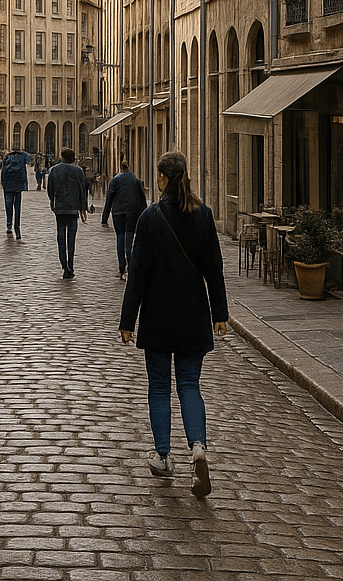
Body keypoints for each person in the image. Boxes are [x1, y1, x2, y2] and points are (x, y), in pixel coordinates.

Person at [119, 150, 228, 499]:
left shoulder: (150, 218)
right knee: (190, 385)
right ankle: (197, 446)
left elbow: (137, 274)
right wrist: (220, 314)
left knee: (159, 387)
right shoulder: (203, 215)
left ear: (164, 179)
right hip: (194, 315)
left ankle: (163, 456)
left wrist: (127, 320)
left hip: (158, 317)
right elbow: (214, 270)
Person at [101, 160, 148, 280]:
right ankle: (130, 265)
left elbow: (109, 199)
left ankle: (122, 267)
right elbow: (142, 200)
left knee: (120, 238)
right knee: (130, 239)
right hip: (133, 212)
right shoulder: (136, 181)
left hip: (118, 213)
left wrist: (104, 217)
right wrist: (145, 216)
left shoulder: (115, 180)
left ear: (120, 168)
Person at [46, 148, 88, 279]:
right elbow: (82, 189)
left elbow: (50, 189)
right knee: (71, 238)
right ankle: (70, 265)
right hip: (73, 208)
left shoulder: (54, 170)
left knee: (61, 237)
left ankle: (64, 265)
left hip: (60, 207)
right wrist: (83, 207)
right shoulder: (78, 170)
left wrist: (53, 202)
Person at [0, 147, 31, 239]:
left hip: (8, 185)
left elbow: (3, 172)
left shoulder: (7, 157)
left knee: (8, 206)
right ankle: (17, 227)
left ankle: (9, 225)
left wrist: (3, 183)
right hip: (18, 185)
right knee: (17, 207)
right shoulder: (23, 157)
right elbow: (29, 160)